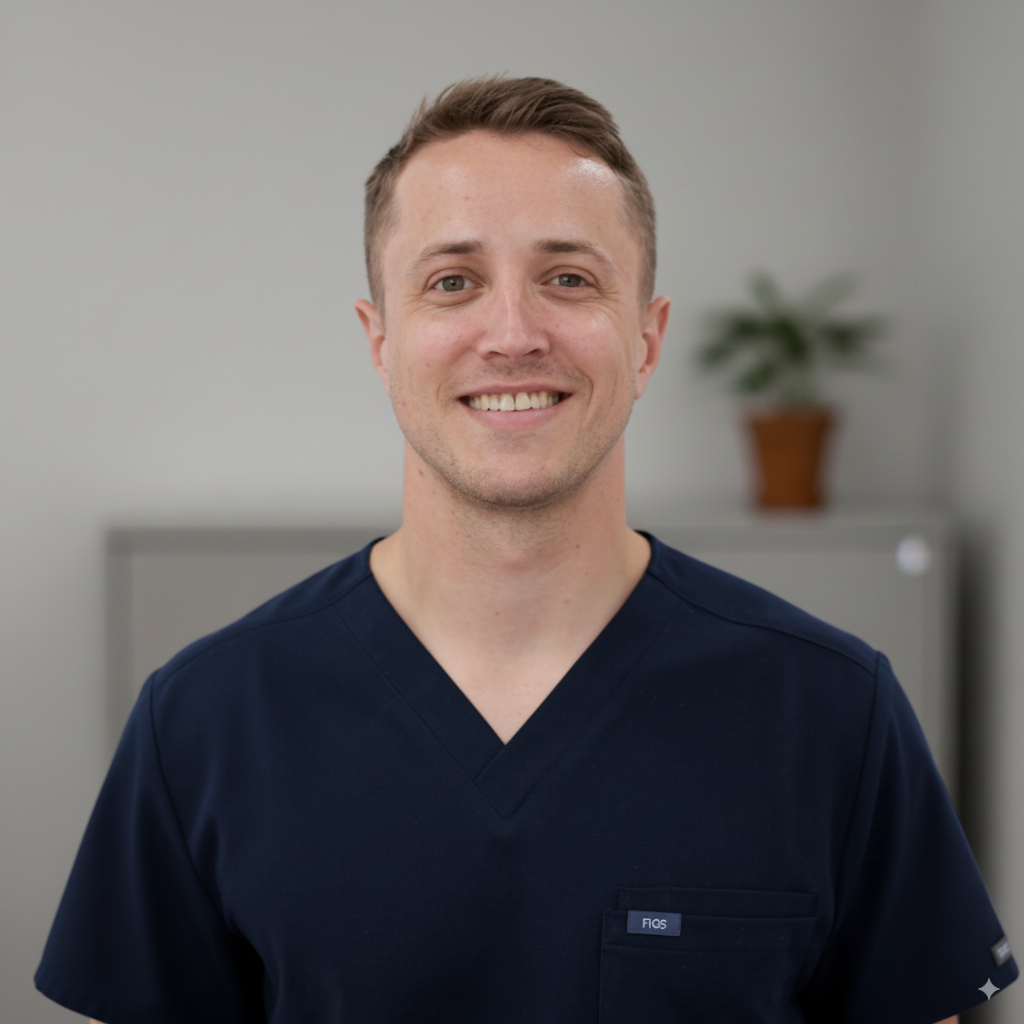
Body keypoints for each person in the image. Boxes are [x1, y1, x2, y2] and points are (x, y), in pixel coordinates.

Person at [37, 76, 1014, 1024]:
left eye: (568, 278)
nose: (511, 333)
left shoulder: (832, 712)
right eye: (452, 281)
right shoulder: (206, 722)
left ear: (645, 338)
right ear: (380, 339)